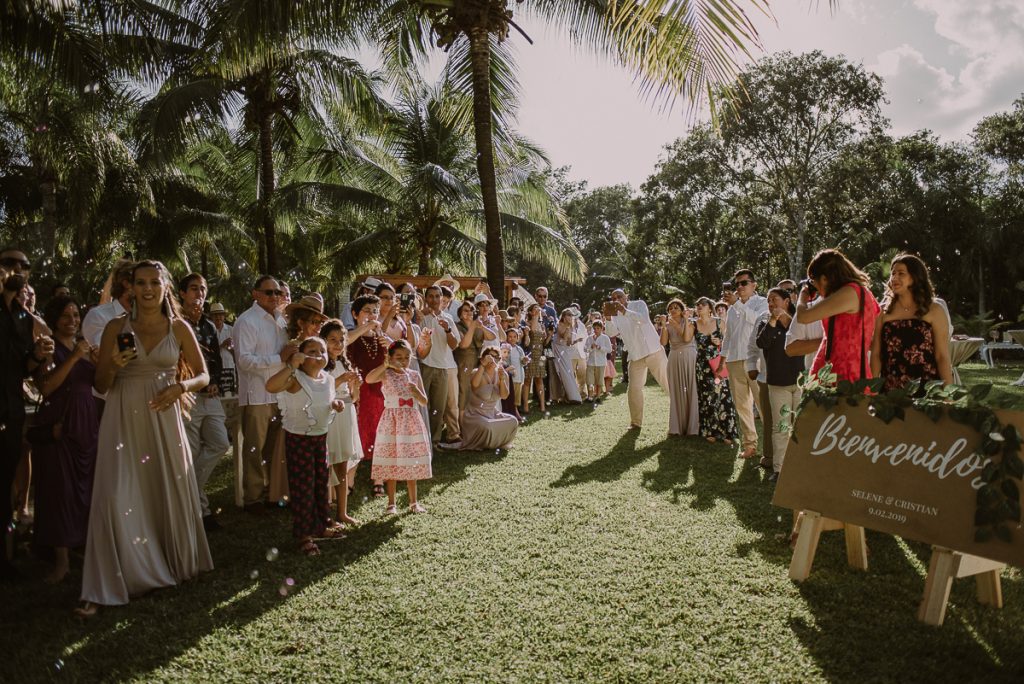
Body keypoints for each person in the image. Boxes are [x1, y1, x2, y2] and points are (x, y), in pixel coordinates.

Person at [78, 260, 212, 616]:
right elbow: (101, 385)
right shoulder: (115, 328)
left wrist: (180, 386)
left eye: (154, 282)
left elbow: (203, 374)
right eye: (141, 283)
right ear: (131, 288)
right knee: (115, 493)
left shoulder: (179, 327)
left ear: (165, 286)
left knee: (162, 486)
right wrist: (114, 365)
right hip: (122, 417)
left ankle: (170, 562)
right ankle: (111, 578)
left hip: (163, 415)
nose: (148, 288)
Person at [30, 296, 99, 583]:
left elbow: (99, 383)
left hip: (88, 422)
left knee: (86, 487)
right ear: (54, 318)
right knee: (59, 491)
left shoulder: (86, 348)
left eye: (75, 314)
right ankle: (60, 561)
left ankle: (82, 547)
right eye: (65, 316)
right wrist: (73, 357)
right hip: (61, 423)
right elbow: (45, 387)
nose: (72, 320)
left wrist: (100, 361)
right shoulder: (48, 347)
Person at [265, 336, 346, 556]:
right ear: (300, 355)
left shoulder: (328, 379)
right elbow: (270, 386)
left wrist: (336, 404)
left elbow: (327, 401)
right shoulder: (295, 378)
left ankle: (321, 525)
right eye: (311, 351)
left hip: (321, 438)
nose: (318, 355)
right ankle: (304, 535)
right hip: (298, 439)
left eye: (322, 351)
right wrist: (292, 365)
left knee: (321, 483)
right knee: (304, 486)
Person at [0, 249, 53, 581]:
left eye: (24, 266)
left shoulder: (21, 317)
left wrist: (35, 354)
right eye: (9, 264)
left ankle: (4, 559)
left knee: (5, 483)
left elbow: (22, 369)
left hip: (12, 411)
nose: (18, 270)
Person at [232, 275, 288, 513]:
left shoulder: (282, 321)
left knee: (274, 450)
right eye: (269, 292)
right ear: (255, 294)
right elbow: (244, 361)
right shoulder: (247, 321)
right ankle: (253, 498)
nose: (274, 297)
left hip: (281, 395)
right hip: (257, 396)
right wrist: (279, 359)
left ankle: (271, 493)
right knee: (255, 448)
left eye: (277, 292)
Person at [179, 274, 229, 532]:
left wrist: (216, 382)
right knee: (191, 451)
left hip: (210, 396)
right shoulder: (176, 323)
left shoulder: (209, 326)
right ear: (182, 293)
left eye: (203, 289)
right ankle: (201, 511)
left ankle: (192, 494)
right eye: (194, 289)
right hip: (187, 396)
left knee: (220, 443)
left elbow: (216, 361)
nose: (199, 294)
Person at [365, 340, 432, 514]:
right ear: (390, 357)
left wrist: (416, 392)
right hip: (392, 420)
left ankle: (413, 502)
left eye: (406, 357)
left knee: (411, 458)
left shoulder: (414, 375)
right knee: (392, 458)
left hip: (410, 420)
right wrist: (384, 365)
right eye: (398, 357)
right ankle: (391, 503)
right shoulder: (386, 374)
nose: (403, 361)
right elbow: (369, 378)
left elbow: (424, 402)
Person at [871, 253, 953, 393]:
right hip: (892, 391)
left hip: (927, 390)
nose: (894, 278)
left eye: (901, 273)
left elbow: (942, 356)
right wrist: (871, 390)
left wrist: (948, 393)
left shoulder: (934, 310)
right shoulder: (882, 311)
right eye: (893, 273)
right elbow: (876, 355)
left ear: (915, 278)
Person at [796, 249, 880, 383]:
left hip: (841, 373)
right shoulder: (862, 293)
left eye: (814, 281)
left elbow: (803, 317)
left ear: (824, 279)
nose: (815, 287)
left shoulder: (850, 293)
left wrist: (803, 297)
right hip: (849, 369)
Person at [756, 288, 807, 482]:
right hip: (778, 384)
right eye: (768, 301)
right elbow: (762, 343)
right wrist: (772, 321)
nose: (770, 304)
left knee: (800, 426)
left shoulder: (799, 321)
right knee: (781, 427)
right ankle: (779, 469)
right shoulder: (766, 323)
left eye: (774, 300)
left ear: (786, 301)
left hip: (801, 382)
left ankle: (801, 466)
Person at [345, 294, 390, 496]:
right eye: (367, 311)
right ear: (355, 314)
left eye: (375, 311)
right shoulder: (349, 335)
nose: (372, 315)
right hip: (358, 390)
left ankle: (378, 478)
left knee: (380, 432)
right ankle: (350, 479)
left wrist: (388, 344)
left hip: (380, 391)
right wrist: (366, 327)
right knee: (356, 432)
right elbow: (345, 342)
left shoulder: (381, 337)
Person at [720, 269, 768, 459]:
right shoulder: (732, 310)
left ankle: (771, 447)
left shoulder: (762, 302)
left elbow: (759, 321)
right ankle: (750, 445)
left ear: (754, 285)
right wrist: (721, 361)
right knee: (742, 406)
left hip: (754, 360)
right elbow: (728, 337)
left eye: (744, 283)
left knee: (762, 404)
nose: (739, 287)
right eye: (737, 284)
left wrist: (737, 305)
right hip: (733, 361)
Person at [605, 289, 668, 430]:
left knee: (667, 384)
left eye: (619, 296)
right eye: (613, 297)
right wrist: (608, 319)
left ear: (626, 296)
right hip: (635, 356)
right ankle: (635, 422)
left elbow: (643, 319)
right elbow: (611, 333)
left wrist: (625, 310)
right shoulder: (614, 315)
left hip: (653, 350)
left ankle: (681, 414)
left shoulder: (639, 304)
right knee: (633, 389)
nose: (616, 299)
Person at [321, 320, 362, 525]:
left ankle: (342, 512)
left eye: (341, 340)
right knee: (327, 464)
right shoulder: (321, 365)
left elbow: (353, 398)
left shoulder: (345, 363)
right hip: (330, 416)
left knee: (343, 464)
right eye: (332, 340)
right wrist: (340, 380)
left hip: (347, 414)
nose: (338, 344)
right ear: (324, 342)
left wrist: (356, 385)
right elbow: (321, 392)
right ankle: (325, 512)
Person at [418, 286, 461, 448]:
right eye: (431, 296)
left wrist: (448, 330)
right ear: (426, 298)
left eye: (437, 296)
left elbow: (454, 345)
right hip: (424, 365)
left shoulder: (448, 319)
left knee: (438, 407)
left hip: (443, 367)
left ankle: (434, 441)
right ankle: (421, 440)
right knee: (422, 405)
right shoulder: (420, 317)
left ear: (442, 298)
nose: (434, 300)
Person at [693, 297, 738, 445]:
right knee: (707, 397)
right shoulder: (693, 324)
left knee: (723, 395)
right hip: (702, 366)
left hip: (718, 363)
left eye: (703, 304)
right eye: (698, 305)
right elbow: (686, 339)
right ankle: (710, 430)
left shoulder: (720, 322)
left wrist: (720, 343)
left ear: (710, 308)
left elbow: (729, 342)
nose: (700, 306)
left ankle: (728, 432)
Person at [459, 347, 518, 451]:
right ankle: (489, 442)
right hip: (474, 414)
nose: (493, 359)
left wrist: (502, 379)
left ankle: (495, 442)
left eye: (496, 357)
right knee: (486, 425)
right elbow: (474, 385)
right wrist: (482, 365)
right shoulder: (476, 372)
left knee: (513, 421)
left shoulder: (502, 374)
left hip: (492, 413)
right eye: (490, 356)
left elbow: (504, 396)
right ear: (483, 358)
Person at [662, 299, 699, 436]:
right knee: (676, 389)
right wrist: (664, 326)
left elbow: (686, 339)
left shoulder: (689, 322)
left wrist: (677, 325)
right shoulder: (667, 324)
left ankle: (693, 427)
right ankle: (676, 426)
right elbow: (664, 342)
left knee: (691, 388)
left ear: (682, 310)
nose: (673, 310)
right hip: (674, 357)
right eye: (670, 308)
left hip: (689, 355)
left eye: (676, 307)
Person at [82, 259, 134, 348]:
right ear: (126, 284)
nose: (148, 289)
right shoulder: (98, 316)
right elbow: (104, 353)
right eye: (141, 283)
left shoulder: (146, 317)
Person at [454, 301, 487, 421]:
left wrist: (482, 326)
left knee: (475, 390)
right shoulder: (457, 326)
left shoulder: (478, 326)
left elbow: (492, 337)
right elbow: (464, 344)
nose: (469, 313)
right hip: (464, 362)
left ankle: (475, 419)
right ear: (460, 314)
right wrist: (473, 327)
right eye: (466, 310)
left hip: (477, 362)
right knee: (464, 391)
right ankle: (462, 423)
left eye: (471, 310)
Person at [522, 303, 550, 414]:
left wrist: (549, 335)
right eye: (535, 309)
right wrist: (536, 316)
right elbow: (533, 331)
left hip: (540, 354)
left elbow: (544, 342)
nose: (538, 310)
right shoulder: (528, 323)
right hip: (530, 354)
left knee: (539, 380)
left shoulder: (542, 325)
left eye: (538, 308)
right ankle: (525, 406)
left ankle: (542, 406)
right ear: (530, 312)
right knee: (527, 380)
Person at [552, 308, 583, 404]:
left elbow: (568, 343)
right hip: (557, 349)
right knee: (561, 372)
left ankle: (572, 396)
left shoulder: (571, 327)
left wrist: (576, 341)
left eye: (571, 315)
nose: (570, 317)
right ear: (564, 317)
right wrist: (568, 329)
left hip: (564, 350)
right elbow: (563, 337)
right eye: (568, 315)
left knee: (569, 371)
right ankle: (565, 396)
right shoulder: (560, 325)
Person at [585, 320, 612, 401]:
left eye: (598, 328)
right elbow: (585, 349)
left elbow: (609, 349)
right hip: (591, 362)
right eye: (595, 328)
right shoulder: (589, 338)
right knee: (590, 380)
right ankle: (590, 396)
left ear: (601, 329)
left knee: (599, 381)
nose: (596, 330)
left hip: (601, 363)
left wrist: (600, 347)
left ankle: (598, 396)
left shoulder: (605, 338)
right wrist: (591, 347)